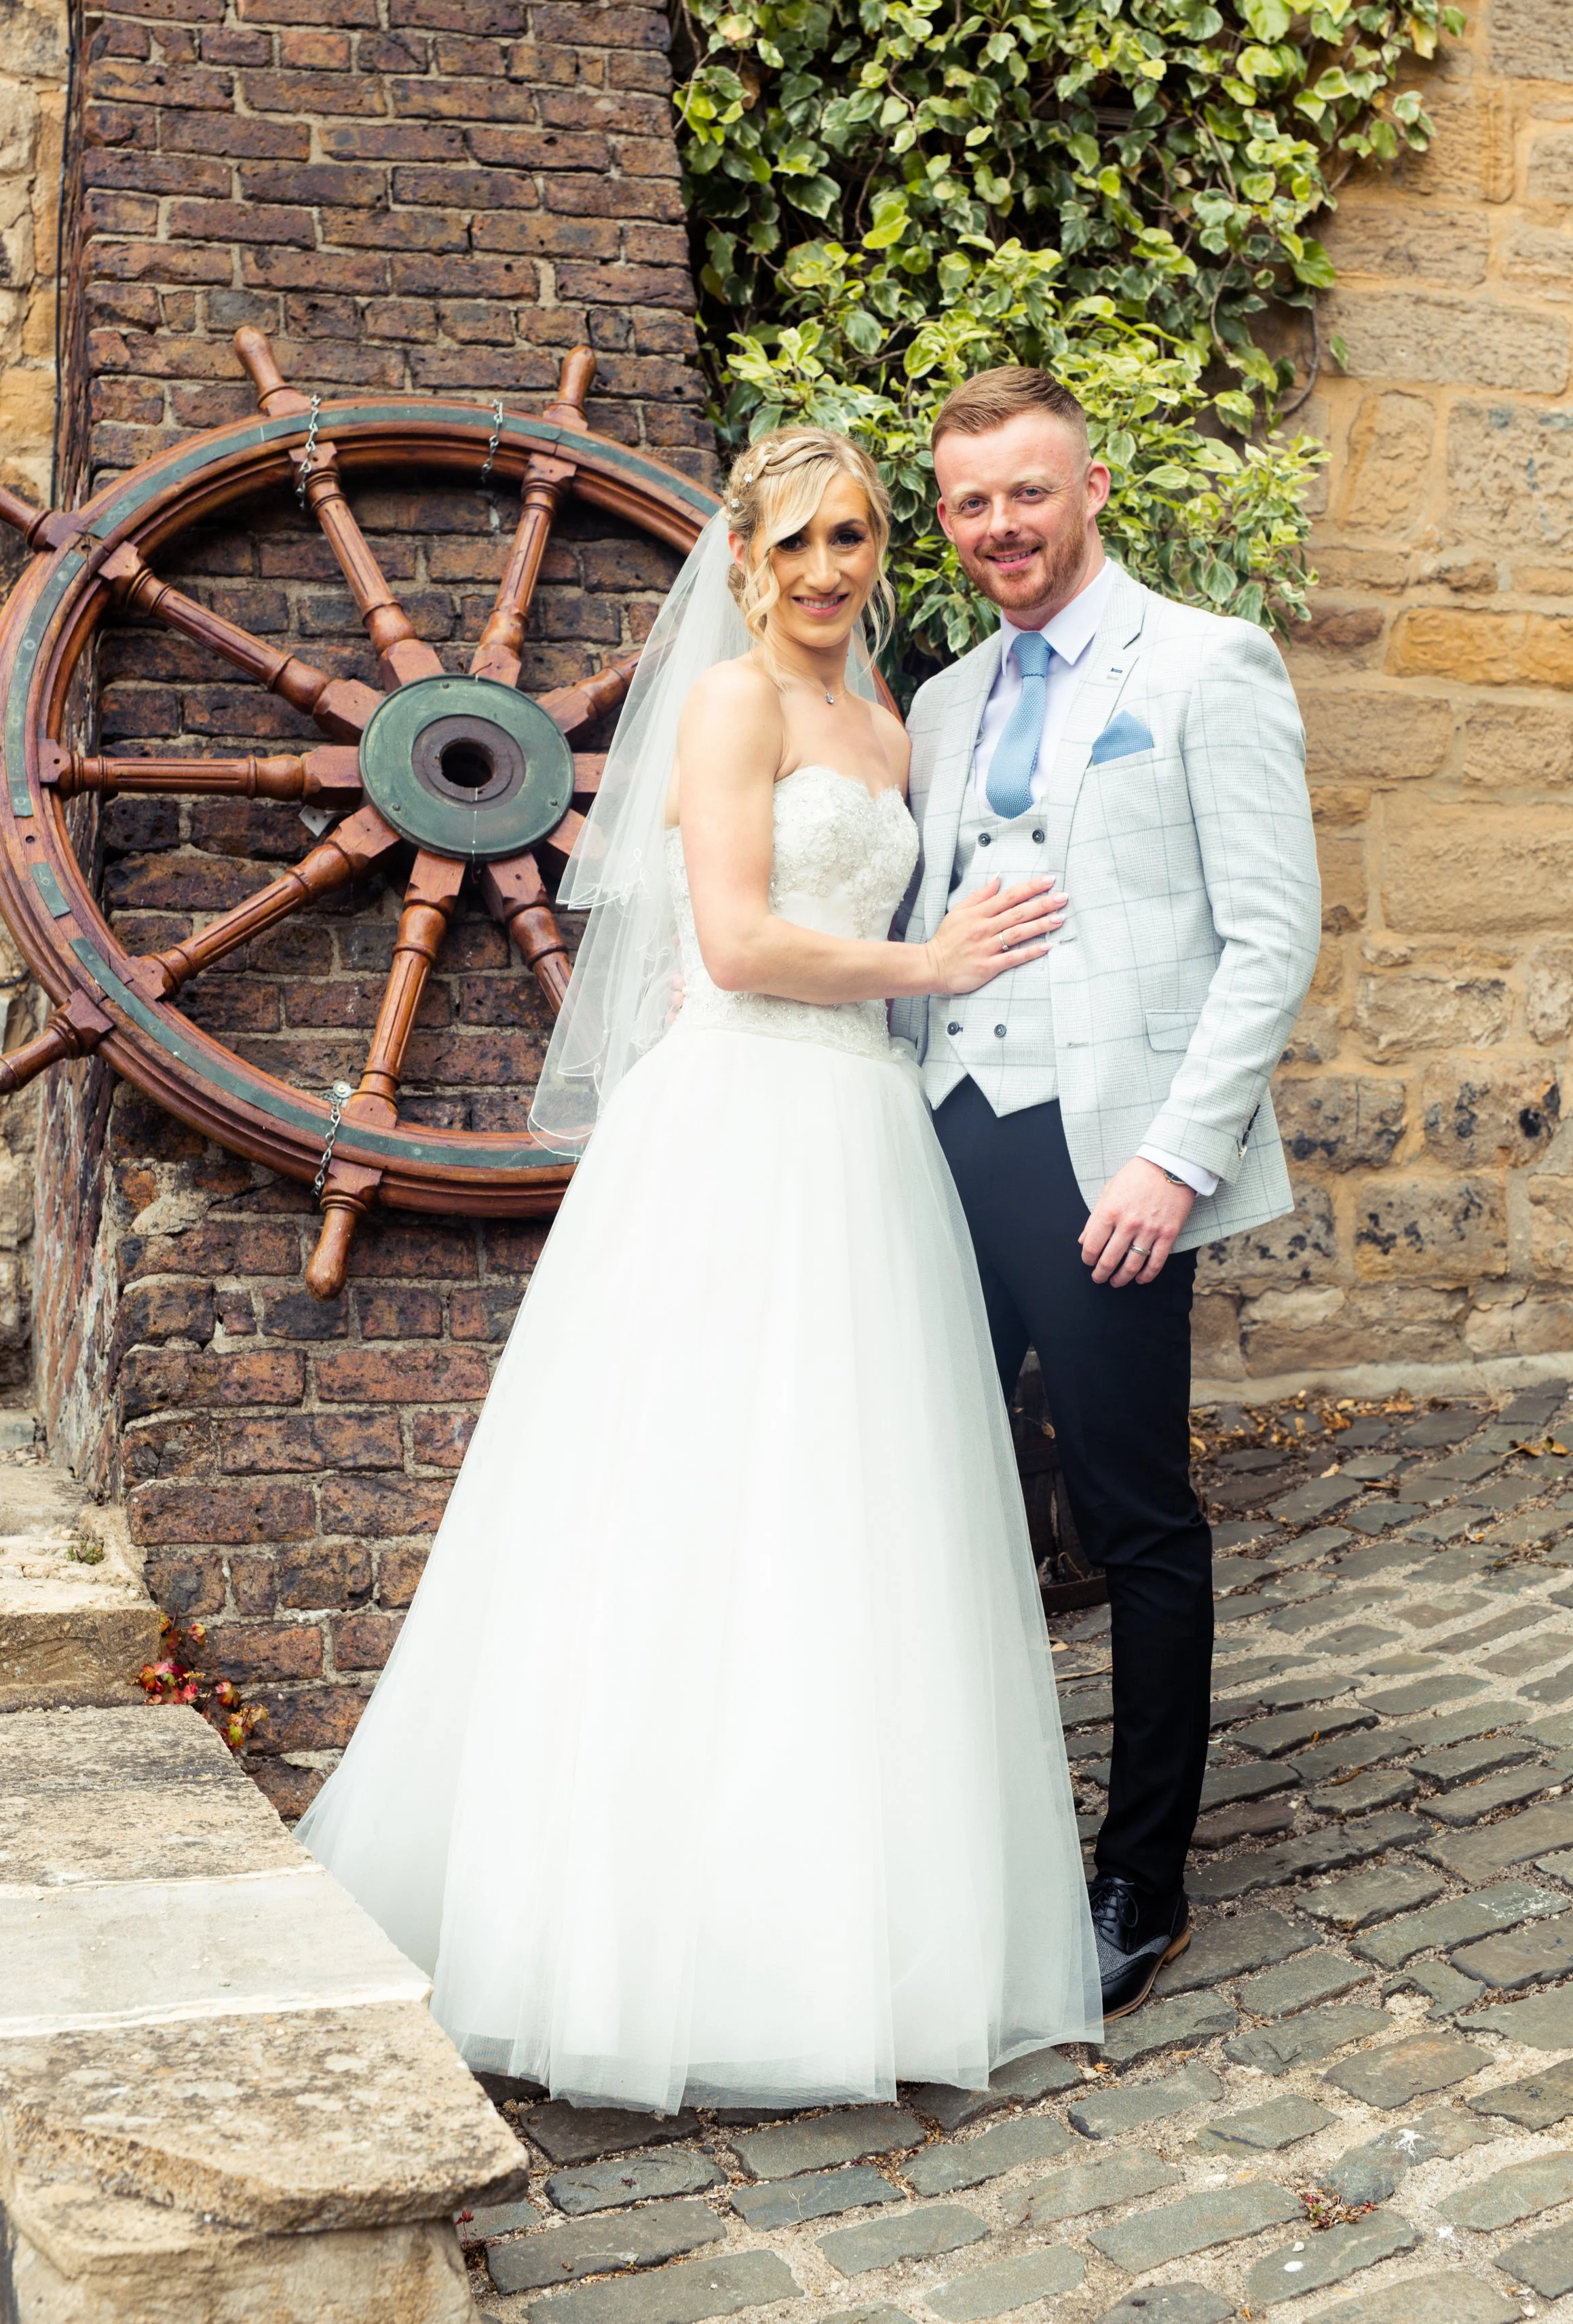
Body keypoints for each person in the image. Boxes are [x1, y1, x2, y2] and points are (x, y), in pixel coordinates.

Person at [296, 425, 1101, 2113]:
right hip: (743, 1123)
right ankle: (628, 1936)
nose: (828, 569)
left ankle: (844, 1932)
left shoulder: (885, 724)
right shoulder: (734, 704)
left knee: (847, 1516)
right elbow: (732, 942)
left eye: (857, 537)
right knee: (687, 1503)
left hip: (864, 1136)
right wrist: (926, 955)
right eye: (798, 539)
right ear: (741, 554)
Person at [892, 367, 1321, 2017]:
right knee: (934, 1499)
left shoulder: (1203, 664)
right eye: (968, 503)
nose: (997, 527)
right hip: (944, 1134)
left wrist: (1173, 1159)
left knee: (1134, 1518)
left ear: (1086, 490)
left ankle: (1141, 1868)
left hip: (1109, 1161)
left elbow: (1268, 936)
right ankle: (952, 1840)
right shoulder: (936, 705)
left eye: (1024, 493)